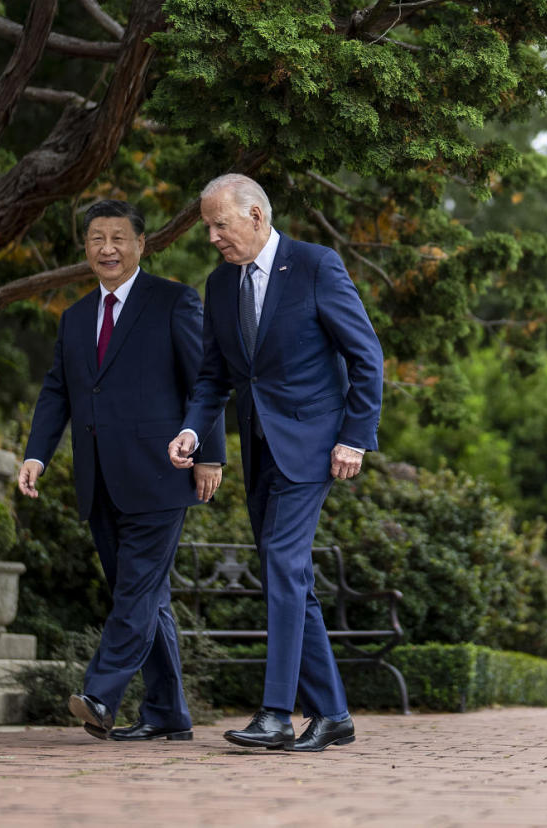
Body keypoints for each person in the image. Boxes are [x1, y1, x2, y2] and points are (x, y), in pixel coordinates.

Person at [168, 174, 383, 752]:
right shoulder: (219, 286)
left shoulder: (315, 265)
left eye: (220, 224)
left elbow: (366, 355)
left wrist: (355, 437)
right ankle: (333, 714)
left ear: (257, 216)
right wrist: (192, 429)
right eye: (208, 226)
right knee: (289, 577)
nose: (212, 236)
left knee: (284, 566)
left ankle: (275, 713)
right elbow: (214, 376)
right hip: (258, 448)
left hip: (313, 446)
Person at [19, 199, 225, 742]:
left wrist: (210, 454)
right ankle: (168, 712)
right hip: (99, 483)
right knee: (145, 598)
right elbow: (58, 391)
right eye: (96, 239)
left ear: (141, 244)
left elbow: (205, 382)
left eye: (118, 238)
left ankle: (101, 695)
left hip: (160, 474)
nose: (106, 248)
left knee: (135, 592)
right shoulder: (75, 317)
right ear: (85, 248)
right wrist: (37, 454)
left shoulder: (173, 301)